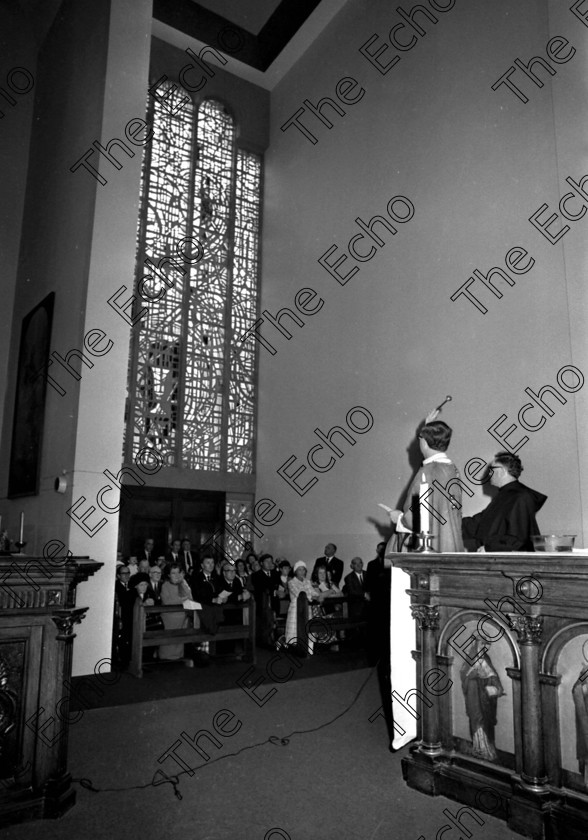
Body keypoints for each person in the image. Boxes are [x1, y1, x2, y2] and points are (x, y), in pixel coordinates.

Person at [388, 415, 464, 553]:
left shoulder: (426, 473)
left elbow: (414, 519)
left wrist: (398, 518)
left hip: (430, 549)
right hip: (450, 543)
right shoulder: (452, 469)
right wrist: (428, 428)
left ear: (423, 443)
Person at [461, 452, 547, 552]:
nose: (488, 474)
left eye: (491, 470)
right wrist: (450, 524)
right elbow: (478, 523)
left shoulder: (520, 497)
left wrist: (490, 548)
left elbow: (518, 538)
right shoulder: (507, 496)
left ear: (501, 471)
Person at [460, 636, 505, 762]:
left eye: (485, 644)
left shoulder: (486, 659)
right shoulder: (470, 658)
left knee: (486, 721)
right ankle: (479, 749)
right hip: (474, 696)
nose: (483, 647)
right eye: (481, 643)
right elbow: (464, 676)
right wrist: (473, 675)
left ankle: (487, 750)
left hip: (485, 697)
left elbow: (492, 675)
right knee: (477, 720)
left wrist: (497, 688)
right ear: (476, 644)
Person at [284, 560, 323, 655]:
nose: (302, 572)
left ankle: (309, 649)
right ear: (295, 571)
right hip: (295, 610)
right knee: (295, 630)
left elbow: (314, 592)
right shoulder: (291, 582)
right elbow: (299, 594)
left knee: (308, 628)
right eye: (299, 570)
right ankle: (296, 650)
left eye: (303, 570)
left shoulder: (307, 582)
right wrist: (311, 596)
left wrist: (315, 595)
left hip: (307, 608)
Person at [343, 557, 369, 623]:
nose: (358, 565)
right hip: (356, 608)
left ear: (362, 564)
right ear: (352, 566)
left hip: (369, 606)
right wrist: (365, 594)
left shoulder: (368, 574)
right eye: (355, 563)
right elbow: (352, 591)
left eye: (360, 563)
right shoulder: (348, 578)